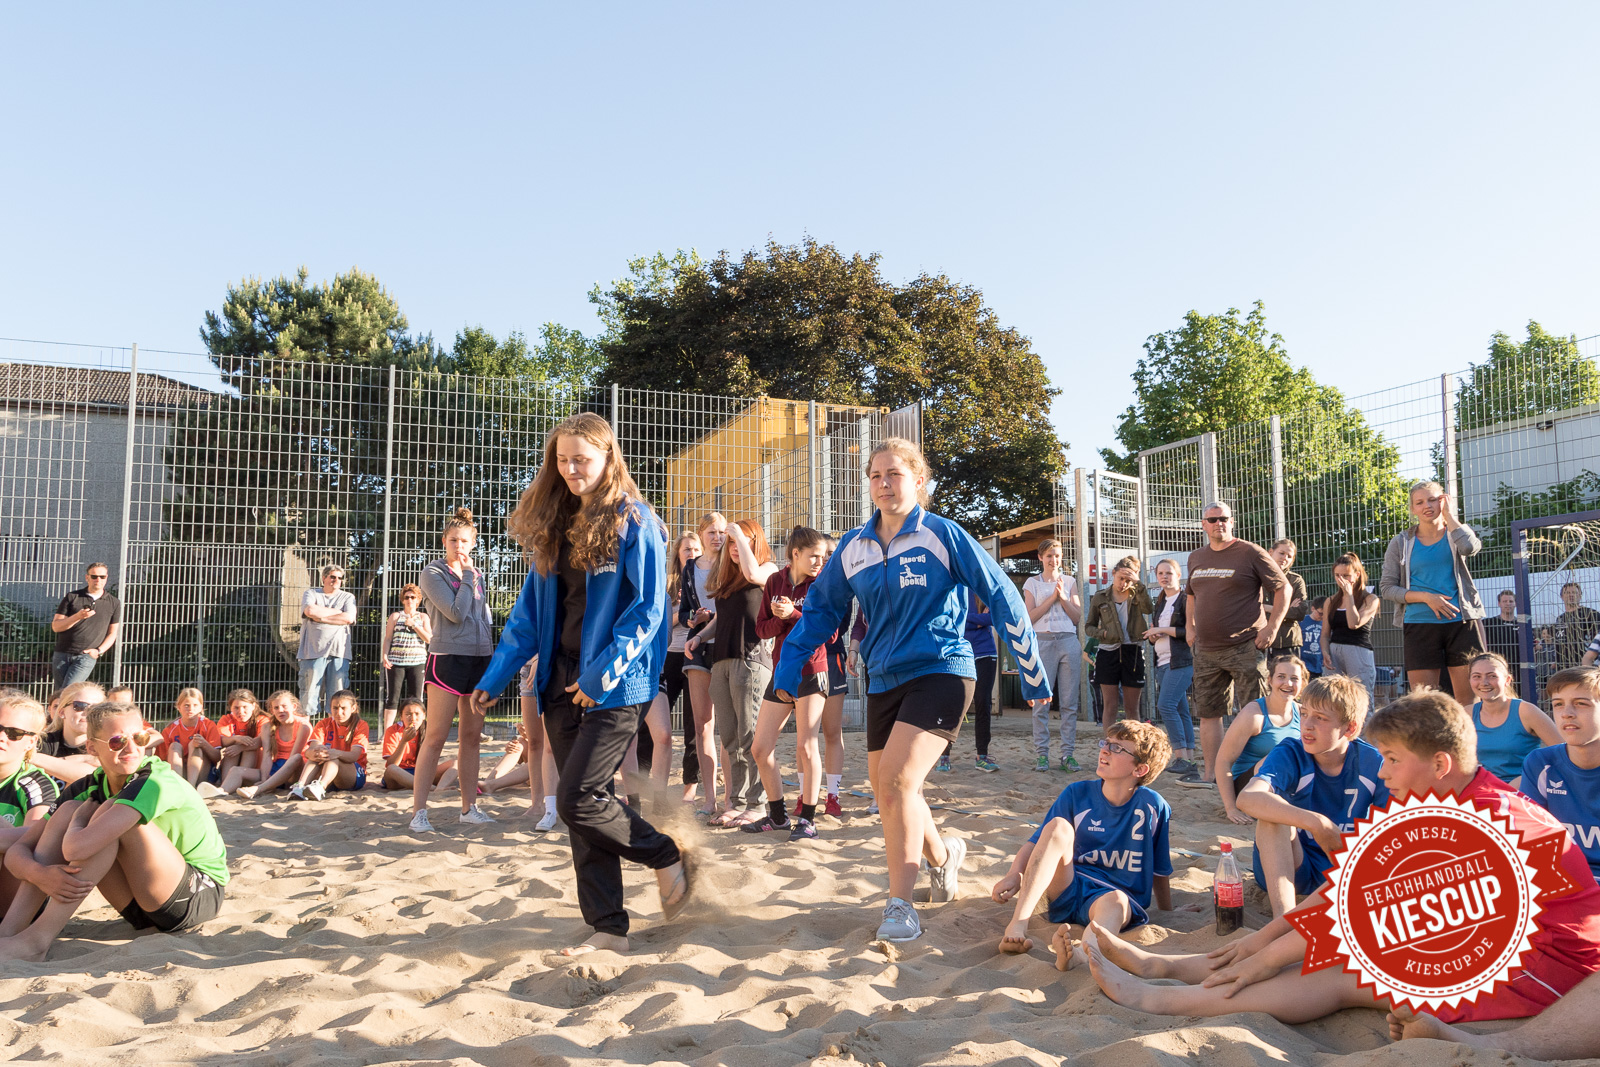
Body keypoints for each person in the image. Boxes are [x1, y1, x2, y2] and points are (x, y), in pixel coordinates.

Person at [1078, 690, 1600, 1027]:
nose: (1387, 773)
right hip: (1493, 940)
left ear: (1440, 764)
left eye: (1394, 760)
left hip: (1544, 968)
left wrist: (1262, 961)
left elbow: (1356, 915)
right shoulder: (1441, 795)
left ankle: (1161, 999)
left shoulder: (1477, 820)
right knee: (1312, 953)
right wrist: (1259, 943)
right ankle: (1171, 968)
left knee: (1349, 973)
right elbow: (1348, 887)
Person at [773, 437, 1052, 942]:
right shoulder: (854, 549)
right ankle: (944, 859)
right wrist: (785, 675)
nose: (883, 484)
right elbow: (819, 612)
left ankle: (900, 904)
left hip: (943, 669)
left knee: (900, 781)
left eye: (894, 474)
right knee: (890, 791)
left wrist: (1031, 670)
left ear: (919, 481)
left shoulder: (943, 535)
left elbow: (1001, 593)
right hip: (882, 678)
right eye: (875, 476)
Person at [471, 411, 692, 956]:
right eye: (562, 460)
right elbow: (528, 613)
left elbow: (648, 612)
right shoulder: (555, 523)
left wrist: (603, 674)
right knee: (584, 809)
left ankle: (666, 855)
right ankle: (608, 927)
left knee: (577, 798)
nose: (571, 469)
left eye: (582, 460)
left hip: (617, 683)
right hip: (557, 681)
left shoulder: (635, 520)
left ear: (608, 458)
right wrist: (496, 675)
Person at [0, 701, 230, 960]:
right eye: (117, 741)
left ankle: (36, 941)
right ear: (91, 747)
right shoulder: (89, 786)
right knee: (70, 810)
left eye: (140, 738)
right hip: (139, 909)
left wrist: (78, 822)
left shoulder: (154, 780)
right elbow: (19, 850)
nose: (132, 749)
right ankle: (9, 932)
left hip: (194, 898)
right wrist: (40, 874)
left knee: (106, 817)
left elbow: (76, 848)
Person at [991, 721, 1173, 956]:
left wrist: (1168, 911)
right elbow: (1038, 842)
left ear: (1139, 770)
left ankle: (1079, 956)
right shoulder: (1077, 793)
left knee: (1116, 900)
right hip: (1068, 886)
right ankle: (1018, 923)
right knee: (1058, 826)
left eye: (1118, 748)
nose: (1105, 750)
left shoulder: (1153, 806)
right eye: (1106, 743)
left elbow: (1160, 869)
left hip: (1111, 899)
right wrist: (1014, 874)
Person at [1237, 674, 1387, 918]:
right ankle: (1283, 920)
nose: (1307, 724)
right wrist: (1317, 822)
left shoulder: (1373, 762)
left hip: (1344, 871)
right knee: (1273, 818)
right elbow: (1247, 798)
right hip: (1294, 867)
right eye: (1304, 713)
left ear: (1350, 728)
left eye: (1320, 718)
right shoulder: (1291, 751)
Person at [1179, 502, 1289, 788]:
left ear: (1232, 521)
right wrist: (1190, 627)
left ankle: (1258, 777)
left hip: (1244, 645)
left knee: (1258, 711)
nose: (1219, 523)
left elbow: (1282, 588)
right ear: (1204, 525)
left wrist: (1272, 626)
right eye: (1212, 519)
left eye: (1224, 518)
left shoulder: (1250, 552)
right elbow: (1191, 595)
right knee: (1208, 714)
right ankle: (1211, 776)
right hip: (1205, 649)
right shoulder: (1195, 558)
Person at [411, 507, 496, 831]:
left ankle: (468, 807)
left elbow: (482, 619)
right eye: (453, 540)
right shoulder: (433, 573)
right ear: (444, 541)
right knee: (435, 738)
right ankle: (419, 812)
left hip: (479, 660)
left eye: (464, 541)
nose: (459, 546)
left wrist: (492, 662)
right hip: (447, 658)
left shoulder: (478, 576)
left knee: (471, 737)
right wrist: (470, 577)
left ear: (473, 543)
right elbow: (455, 613)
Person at [693, 519, 780, 828]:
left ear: (753, 542)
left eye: (738, 542)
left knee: (750, 737)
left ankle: (758, 804)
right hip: (722, 662)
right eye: (729, 543)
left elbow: (754, 573)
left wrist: (739, 536)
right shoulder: (729, 581)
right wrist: (700, 637)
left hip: (751, 660)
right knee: (730, 738)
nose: (732, 547)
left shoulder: (768, 571)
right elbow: (721, 617)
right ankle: (737, 802)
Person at [745, 526, 830, 839]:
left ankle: (807, 819)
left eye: (823, 556)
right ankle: (778, 816)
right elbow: (763, 630)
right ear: (795, 554)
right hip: (782, 672)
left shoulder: (822, 584)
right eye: (814, 556)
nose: (820, 562)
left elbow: (830, 634)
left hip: (812, 669)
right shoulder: (774, 582)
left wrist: (793, 613)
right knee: (760, 748)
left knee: (806, 747)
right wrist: (781, 617)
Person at [1380, 480, 1485, 700]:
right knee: (1426, 703)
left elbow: (1470, 547)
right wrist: (1427, 598)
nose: (1427, 506)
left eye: (1433, 499)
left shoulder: (1456, 534)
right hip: (1419, 624)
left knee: (1470, 702)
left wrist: (1449, 516)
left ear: (1443, 500)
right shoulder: (1400, 542)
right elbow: (1387, 588)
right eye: (1419, 502)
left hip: (1460, 622)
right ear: (1412, 509)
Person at [1521, 666, 1600, 881]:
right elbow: (1529, 842)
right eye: (1558, 705)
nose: (1567, 713)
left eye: (1581, 703)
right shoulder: (1541, 764)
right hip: (1563, 885)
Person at [1213, 654, 1304, 827]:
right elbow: (1223, 760)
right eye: (1281, 677)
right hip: (1248, 787)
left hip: (1281, 783)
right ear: (1269, 680)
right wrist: (1231, 808)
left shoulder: (1302, 713)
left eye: (1294, 678)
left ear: (1302, 683)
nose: (1288, 684)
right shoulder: (1254, 714)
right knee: (1280, 753)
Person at [1023, 539, 1083, 772]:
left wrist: (1064, 598)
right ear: (1040, 557)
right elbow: (1030, 618)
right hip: (1043, 643)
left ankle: (1067, 755)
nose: (1053, 560)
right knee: (1041, 701)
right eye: (1049, 555)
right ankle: (1042, 755)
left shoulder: (1069, 581)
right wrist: (1052, 598)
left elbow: (1077, 617)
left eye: (1057, 555)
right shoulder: (1032, 583)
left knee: (1069, 703)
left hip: (1068, 641)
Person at [681, 513, 726, 816]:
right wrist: (692, 619)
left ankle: (731, 798)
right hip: (698, 646)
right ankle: (709, 798)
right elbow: (685, 607)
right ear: (701, 535)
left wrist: (712, 619)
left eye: (722, 531)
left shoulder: (732, 563)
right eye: (711, 531)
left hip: (726, 646)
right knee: (702, 725)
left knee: (730, 727)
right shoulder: (689, 568)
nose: (717, 537)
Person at [1466, 652, 1559, 788]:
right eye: (1477, 676)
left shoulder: (1526, 711)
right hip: (1483, 791)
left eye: (1492, 676)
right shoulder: (1466, 714)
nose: (1484, 682)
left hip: (1522, 791)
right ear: (1470, 681)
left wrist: (1528, 778)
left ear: (1507, 680)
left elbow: (1563, 753)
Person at [0, 694, 58, 902]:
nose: (2, 737)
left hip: (21, 894)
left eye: (14, 733)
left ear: (31, 742)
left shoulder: (34, 783)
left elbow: (37, 838)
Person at [1085, 555, 1152, 727]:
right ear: (1113, 574)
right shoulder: (1100, 597)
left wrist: (1138, 584)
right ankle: (1109, 745)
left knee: (1132, 708)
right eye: (1121, 578)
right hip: (1108, 652)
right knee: (1110, 706)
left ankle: (1132, 747)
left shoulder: (1138, 594)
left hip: (1133, 651)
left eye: (1128, 579)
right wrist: (1103, 634)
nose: (1124, 583)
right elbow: (1088, 627)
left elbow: (1149, 608)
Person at [1146, 559, 1196, 774]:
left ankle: (1180, 756)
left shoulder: (1186, 599)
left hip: (1181, 661)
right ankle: (1190, 759)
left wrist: (1163, 630)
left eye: (1169, 573)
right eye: (1160, 573)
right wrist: (1154, 635)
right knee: (1180, 709)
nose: (1164, 577)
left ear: (1178, 575)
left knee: (1165, 705)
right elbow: (1155, 635)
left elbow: (1190, 632)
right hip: (1162, 661)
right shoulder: (1161, 601)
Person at [662, 532, 700, 804]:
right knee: (654, 725)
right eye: (687, 548)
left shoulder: (704, 578)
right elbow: (662, 622)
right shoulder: (667, 583)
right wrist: (682, 616)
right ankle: (647, 783)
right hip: (669, 655)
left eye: (696, 548)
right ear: (677, 553)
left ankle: (690, 787)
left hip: (696, 655)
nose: (692, 552)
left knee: (693, 726)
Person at [943, 591, 999, 773]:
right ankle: (944, 756)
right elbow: (947, 618)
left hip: (985, 652)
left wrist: (965, 619)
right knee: (952, 705)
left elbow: (993, 617)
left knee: (983, 703)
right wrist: (977, 620)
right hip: (958, 652)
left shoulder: (983, 587)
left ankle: (982, 756)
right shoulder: (953, 587)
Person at [49, 563, 121, 691]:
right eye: (94, 576)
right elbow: (56, 626)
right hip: (62, 653)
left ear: (106, 578)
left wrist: (98, 651)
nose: (98, 580)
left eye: (102, 576)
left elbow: (112, 633)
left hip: (86, 656)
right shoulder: (73, 597)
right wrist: (77, 616)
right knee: (60, 694)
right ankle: (56, 711)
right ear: (87, 577)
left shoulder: (113, 603)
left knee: (68, 690)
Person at [298, 564, 356, 719]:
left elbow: (349, 618)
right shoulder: (311, 593)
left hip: (339, 652)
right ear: (324, 578)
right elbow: (309, 611)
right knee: (308, 694)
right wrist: (338, 613)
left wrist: (321, 618)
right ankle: (305, 733)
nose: (336, 580)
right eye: (332, 577)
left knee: (338, 696)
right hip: (311, 651)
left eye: (339, 578)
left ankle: (335, 733)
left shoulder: (348, 597)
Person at [289, 689, 370, 801]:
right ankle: (300, 787)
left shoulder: (361, 725)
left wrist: (336, 753)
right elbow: (309, 752)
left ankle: (320, 787)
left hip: (353, 774)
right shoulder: (324, 723)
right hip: (327, 771)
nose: (338, 712)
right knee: (317, 755)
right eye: (335, 708)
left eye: (343, 708)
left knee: (333, 758)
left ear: (353, 708)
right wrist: (315, 752)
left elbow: (354, 756)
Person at [1322, 553, 1379, 708]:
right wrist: (1325, 652)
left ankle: (1365, 732)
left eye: (1346, 575)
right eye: (1337, 575)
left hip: (1358, 651)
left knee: (1362, 700)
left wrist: (1349, 595)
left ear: (1357, 574)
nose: (1341, 580)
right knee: (1331, 699)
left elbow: (1354, 624)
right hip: (1334, 652)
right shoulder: (1331, 601)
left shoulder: (1370, 599)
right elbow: (1325, 634)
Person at [819, 537, 851, 809]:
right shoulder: (798, 584)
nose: (825, 559)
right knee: (804, 735)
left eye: (831, 554)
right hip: (802, 662)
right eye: (821, 554)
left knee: (832, 731)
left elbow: (832, 629)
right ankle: (805, 795)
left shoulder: (842, 589)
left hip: (831, 660)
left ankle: (833, 795)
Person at [512, 658, 560, 831]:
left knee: (552, 744)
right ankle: (536, 804)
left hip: (554, 665)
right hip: (528, 668)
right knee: (533, 742)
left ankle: (552, 806)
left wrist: (541, 657)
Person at [235, 691, 311, 800]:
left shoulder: (303, 725)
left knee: (296, 758)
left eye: (284, 706)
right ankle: (220, 792)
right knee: (235, 771)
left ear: (294, 707)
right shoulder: (267, 726)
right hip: (276, 766)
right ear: (271, 710)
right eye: (276, 708)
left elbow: (294, 756)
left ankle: (260, 789)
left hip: (296, 769)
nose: (280, 710)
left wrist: (268, 783)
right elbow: (267, 754)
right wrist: (265, 778)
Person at [381, 583, 433, 733]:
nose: (410, 600)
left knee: (417, 698)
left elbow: (429, 639)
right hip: (396, 662)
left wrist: (415, 626)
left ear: (418, 600)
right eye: (407, 597)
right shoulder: (395, 616)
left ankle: (417, 731)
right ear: (403, 600)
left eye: (413, 597)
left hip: (417, 662)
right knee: (392, 698)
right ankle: (387, 734)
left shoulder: (423, 617)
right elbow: (388, 638)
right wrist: (385, 655)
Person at [382, 697, 458, 794]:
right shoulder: (393, 731)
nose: (413, 718)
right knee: (391, 769)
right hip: (401, 774)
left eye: (417, 714)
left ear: (423, 716)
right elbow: (392, 764)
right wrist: (404, 741)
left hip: (423, 772)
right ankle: (433, 789)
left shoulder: (429, 730)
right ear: (401, 716)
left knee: (456, 763)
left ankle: (441, 787)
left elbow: (431, 761)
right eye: (408, 714)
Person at [32, 681, 101, 786]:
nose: (87, 713)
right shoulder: (42, 742)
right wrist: (83, 759)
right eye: (80, 706)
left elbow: (92, 777)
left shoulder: (105, 745)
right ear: (62, 712)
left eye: (96, 708)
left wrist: (37, 759)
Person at [203, 689, 268, 798]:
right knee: (232, 749)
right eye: (236, 708)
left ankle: (230, 786)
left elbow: (259, 741)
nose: (240, 712)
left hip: (255, 768)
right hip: (233, 764)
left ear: (253, 706)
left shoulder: (262, 720)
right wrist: (236, 739)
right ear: (230, 708)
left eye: (244, 707)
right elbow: (221, 740)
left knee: (249, 749)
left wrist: (240, 747)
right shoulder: (226, 719)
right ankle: (226, 783)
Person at [1266, 539, 1309, 659]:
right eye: (1281, 553)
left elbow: (1300, 613)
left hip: (1288, 641)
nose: (1285, 558)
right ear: (1270, 552)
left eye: (1289, 556)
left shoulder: (1296, 581)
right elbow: (1250, 608)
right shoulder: (1256, 578)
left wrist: (1268, 608)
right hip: (1260, 640)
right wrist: (1286, 609)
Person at [1552, 582, 1600, 669]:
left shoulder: (1590, 614)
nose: (1571, 595)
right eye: (1567, 593)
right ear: (1562, 597)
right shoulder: (1560, 618)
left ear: (1580, 596)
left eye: (1574, 592)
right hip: (1563, 666)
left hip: (1583, 665)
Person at [1484, 589, 1524, 678]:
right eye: (1504, 601)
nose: (1508, 604)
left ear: (1515, 603)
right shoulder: (1488, 623)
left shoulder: (1522, 624)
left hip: (1517, 668)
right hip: (1495, 666)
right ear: (1499, 604)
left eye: (1511, 601)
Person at [1299, 599, 1324, 678]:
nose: (1322, 616)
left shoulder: (1325, 624)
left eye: (1325, 614)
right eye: (1320, 613)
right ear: (1313, 608)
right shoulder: (1302, 621)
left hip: (1318, 663)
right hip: (1304, 662)